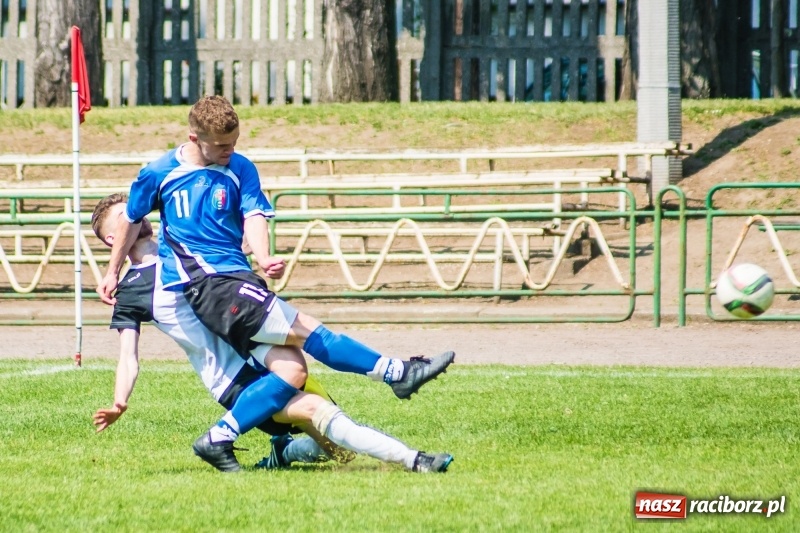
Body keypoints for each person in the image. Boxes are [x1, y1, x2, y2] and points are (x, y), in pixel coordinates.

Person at [96, 96, 454, 451]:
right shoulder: (158, 173)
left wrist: (264, 256)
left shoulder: (241, 167)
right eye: (220, 145)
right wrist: (112, 271)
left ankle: (225, 438)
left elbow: (254, 216)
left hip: (239, 282)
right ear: (194, 139)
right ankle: (396, 373)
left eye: (234, 143)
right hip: (212, 289)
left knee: (296, 371)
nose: (228, 151)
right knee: (309, 331)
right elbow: (130, 218)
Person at [91, 194, 453, 474]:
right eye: (126, 214)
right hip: (234, 377)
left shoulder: (184, 243)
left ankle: (285, 451)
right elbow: (128, 355)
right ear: (112, 238)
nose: (136, 213)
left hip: (263, 347)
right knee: (318, 413)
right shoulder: (131, 290)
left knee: (338, 451)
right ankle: (415, 459)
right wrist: (120, 401)